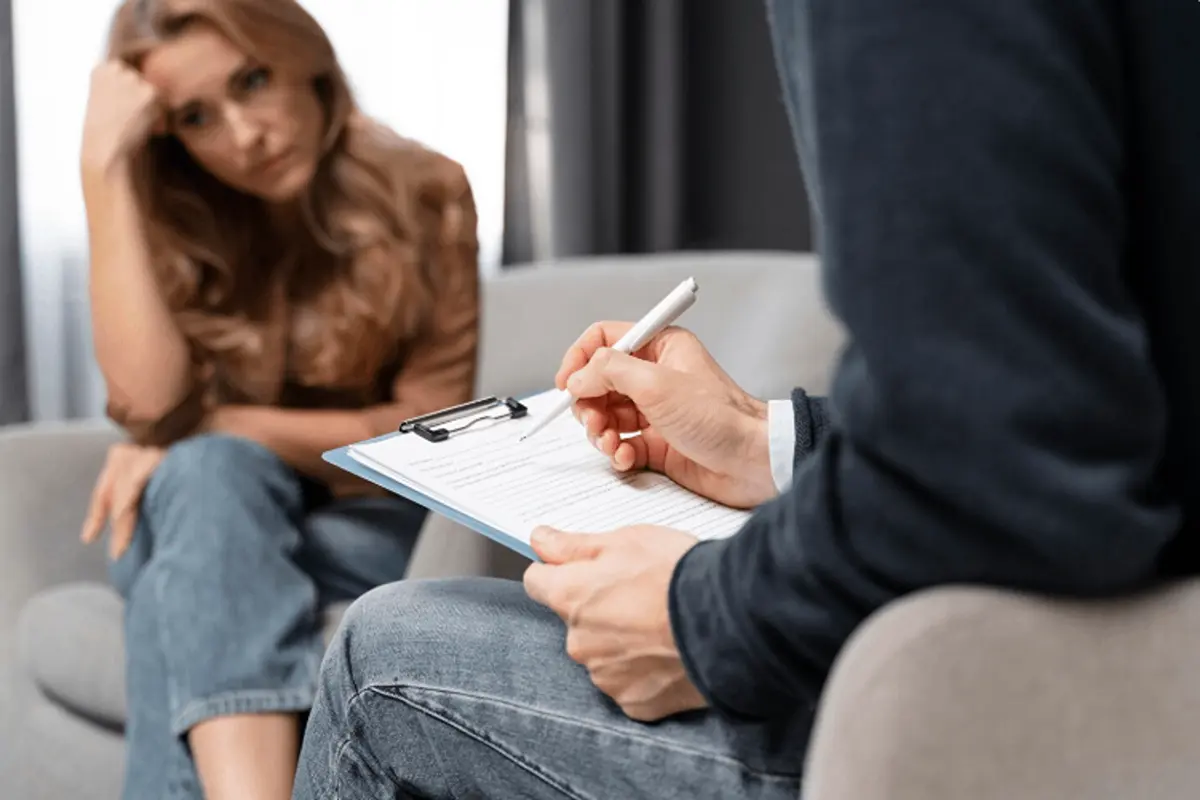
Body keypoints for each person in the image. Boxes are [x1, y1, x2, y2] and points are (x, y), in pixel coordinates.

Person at [293, 0, 1200, 797]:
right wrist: (765, 439)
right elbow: (1102, 387)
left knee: (387, 655)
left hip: (1057, 708)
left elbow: (997, 470)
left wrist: (702, 617)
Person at [77, 0, 479, 797]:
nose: (244, 135)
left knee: (182, 566)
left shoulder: (427, 188)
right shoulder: (174, 209)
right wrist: (102, 171)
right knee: (207, 484)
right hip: (205, 512)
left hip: (364, 523)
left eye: (252, 81)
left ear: (298, 52)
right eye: (196, 118)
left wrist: (220, 425)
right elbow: (150, 408)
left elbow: (421, 438)